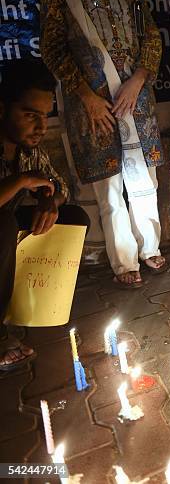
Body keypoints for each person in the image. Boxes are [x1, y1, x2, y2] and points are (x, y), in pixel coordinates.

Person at [40, 0, 166, 288]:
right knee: (109, 186)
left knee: (143, 179)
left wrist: (139, 77)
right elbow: (52, 46)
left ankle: (150, 247)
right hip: (90, 103)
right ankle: (124, 261)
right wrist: (87, 95)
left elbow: (151, 36)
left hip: (135, 96)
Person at [0, 60, 89, 373]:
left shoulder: (28, 148)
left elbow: (59, 185)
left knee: (73, 217)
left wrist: (50, 201)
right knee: (3, 226)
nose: (41, 127)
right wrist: (22, 181)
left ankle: (29, 306)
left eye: (44, 116)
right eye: (29, 115)